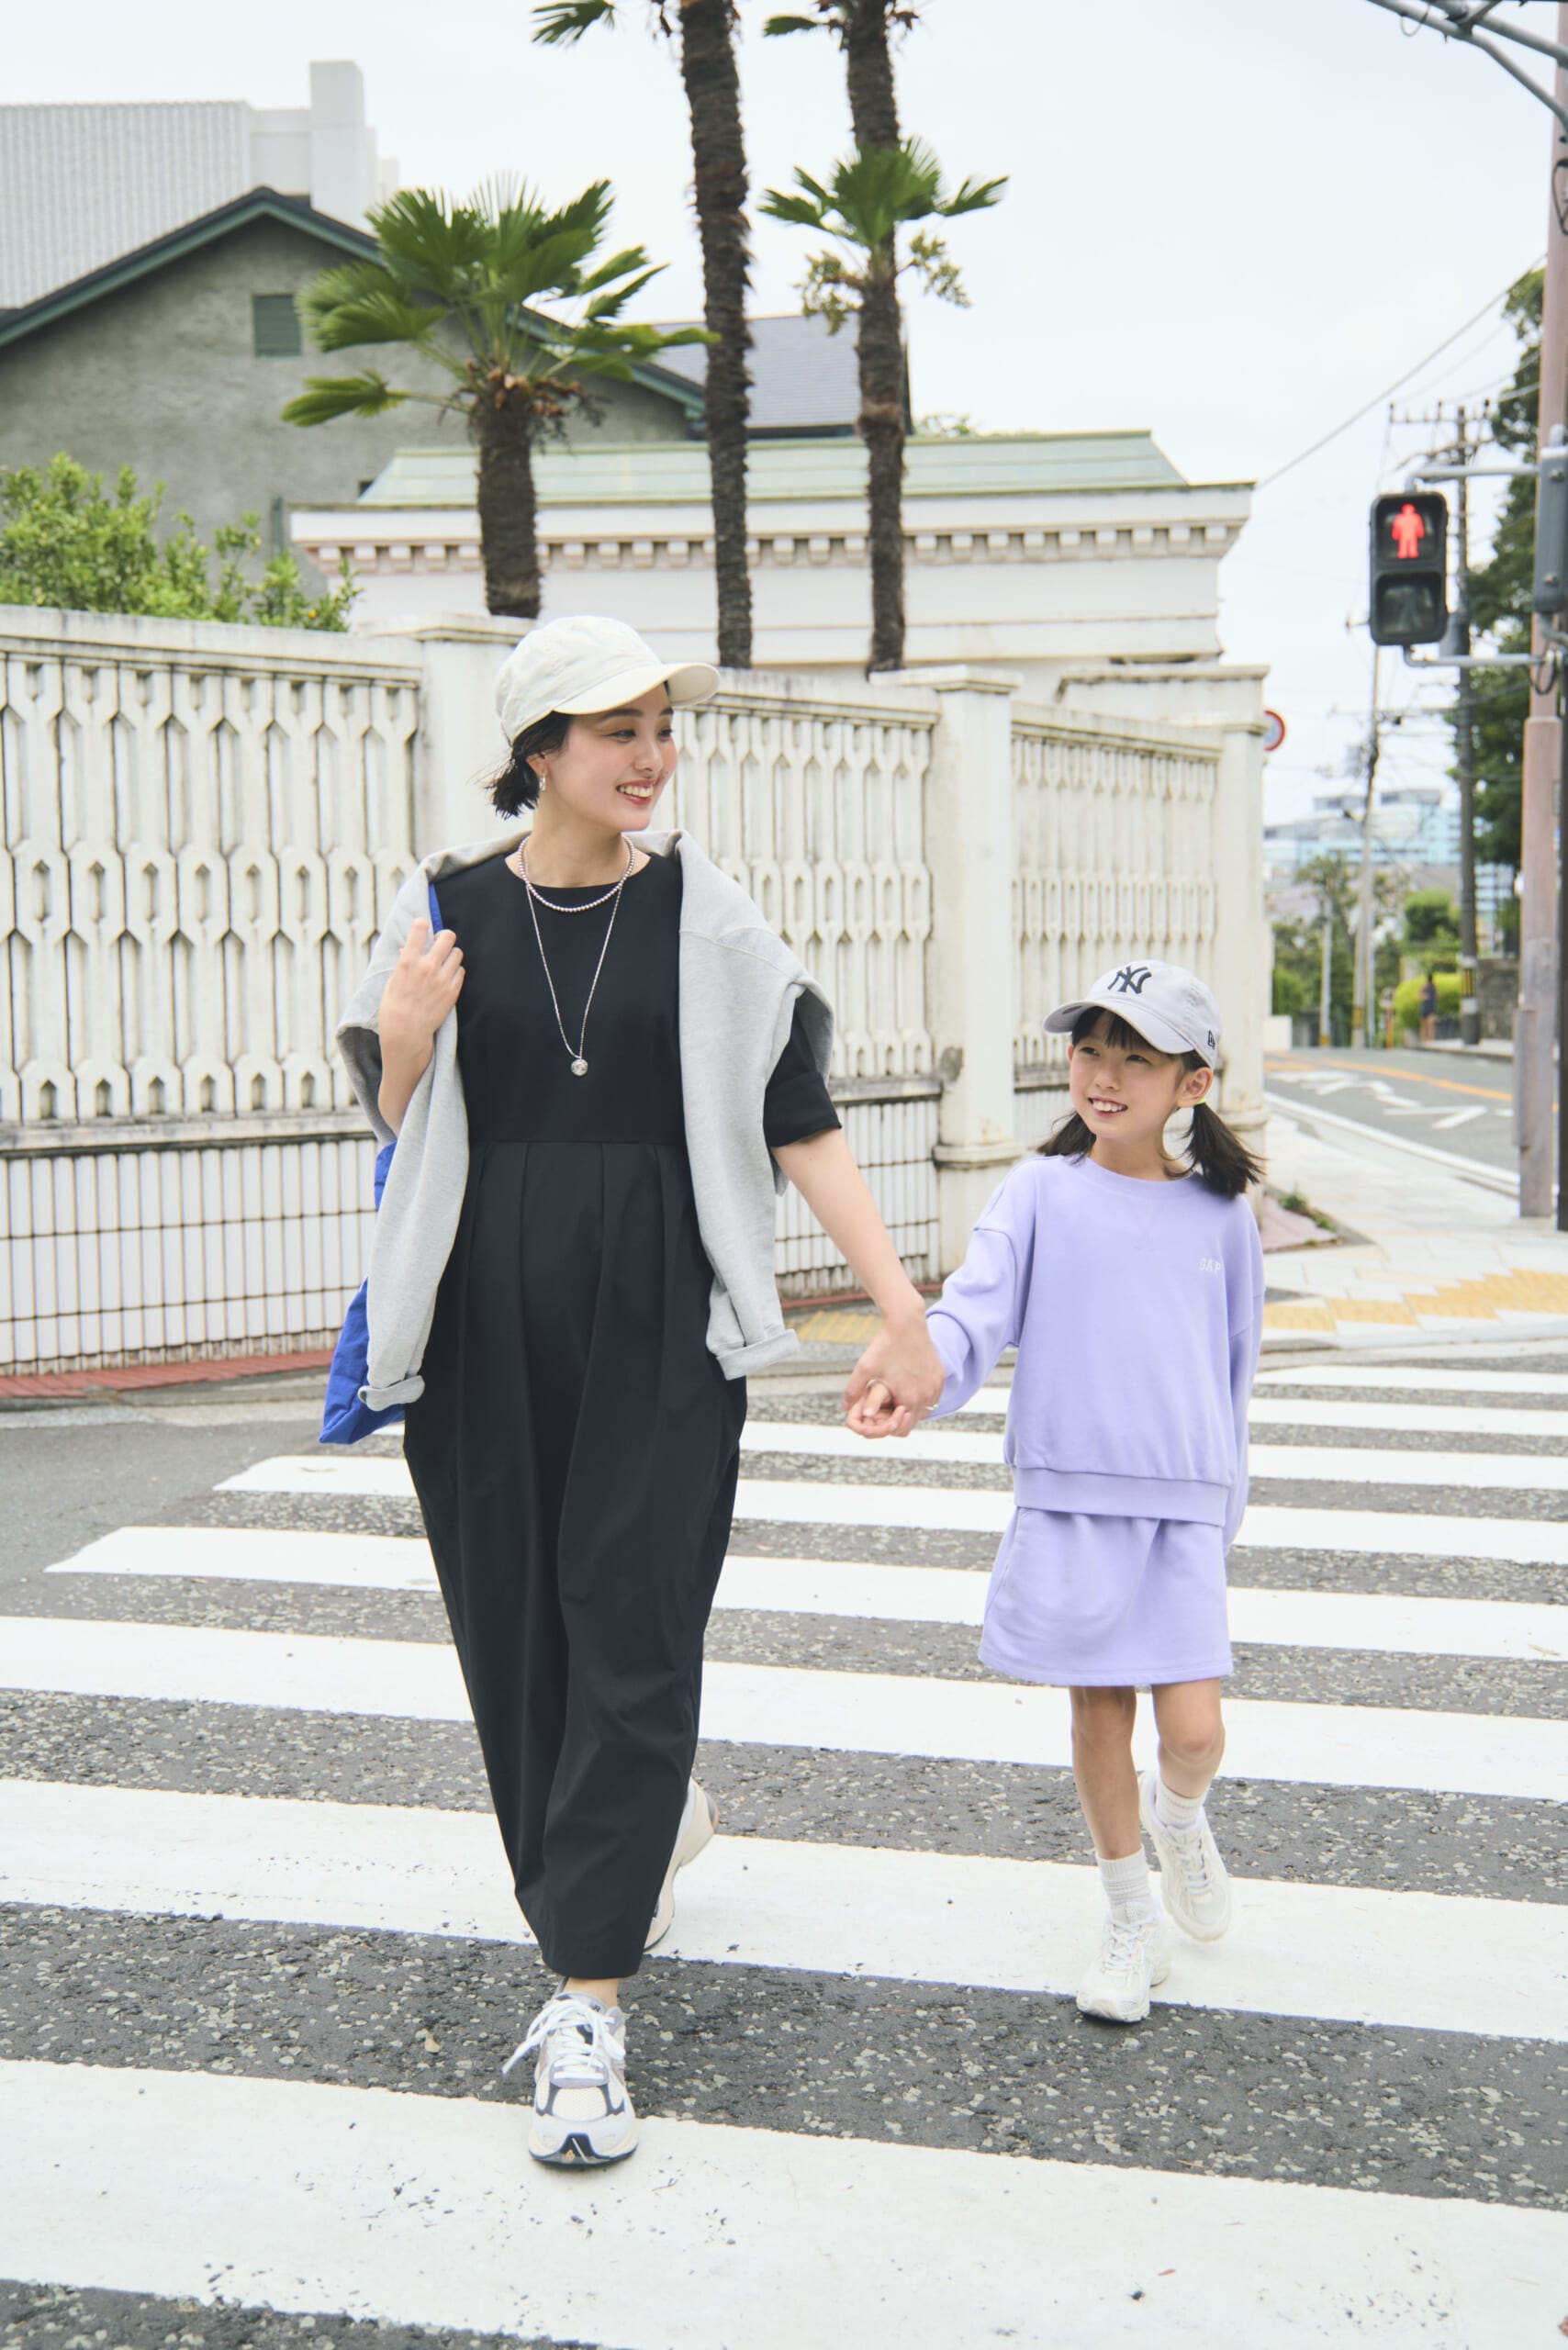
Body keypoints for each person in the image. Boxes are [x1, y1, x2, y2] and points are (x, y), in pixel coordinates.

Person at [337, 614, 946, 2166]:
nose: (648, 755)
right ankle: (640, 1823)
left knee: (631, 1611)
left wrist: (899, 1312)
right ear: (538, 746)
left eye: (661, 725)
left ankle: (586, 1996)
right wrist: (404, 1047)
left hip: (660, 1322)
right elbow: (400, 1131)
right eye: (616, 729)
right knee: (514, 1630)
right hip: (478, 1326)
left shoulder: (709, 919)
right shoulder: (447, 909)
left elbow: (796, 1123)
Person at [846, 962, 1265, 2024]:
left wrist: (1226, 1505)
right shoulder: (1035, 1190)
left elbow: (1234, 1371)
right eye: (1090, 1049)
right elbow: (970, 1314)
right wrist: (912, 1372)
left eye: (1137, 1056)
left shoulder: (1222, 1216)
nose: (1106, 1074)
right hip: (1071, 1497)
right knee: (1098, 1713)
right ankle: (1130, 1916)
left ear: (1194, 1083)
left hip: (1179, 1506)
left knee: (1196, 1732)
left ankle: (1180, 1821)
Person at [1418, 970, 1439, 1046]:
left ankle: (1431, 1039)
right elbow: (1419, 996)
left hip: (1431, 1007)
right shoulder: (1424, 986)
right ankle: (1424, 1040)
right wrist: (1425, 997)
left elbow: (1437, 996)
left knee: (1431, 1024)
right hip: (1425, 1007)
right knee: (1424, 1024)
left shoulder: (1434, 986)